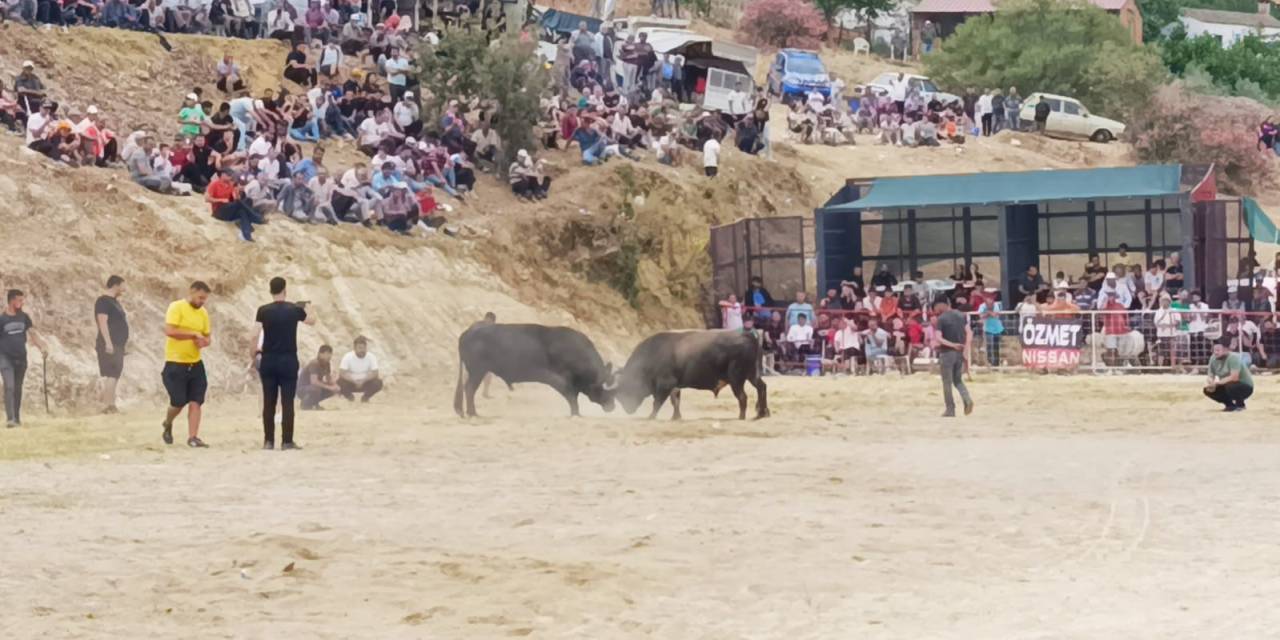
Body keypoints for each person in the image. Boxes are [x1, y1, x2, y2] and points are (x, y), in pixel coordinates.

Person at [252, 277, 315, 450]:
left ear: (270, 290)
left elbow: (255, 333)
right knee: (287, 402)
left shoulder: (263, 310)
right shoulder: (294, 309)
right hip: (288, 359)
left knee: (268, 402)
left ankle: (268, 441)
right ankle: (287, 441)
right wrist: (309, 308)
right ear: (285, 290)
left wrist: (254, 354)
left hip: (269, 359)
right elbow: (312, 321)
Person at [161, 281, 212, 448]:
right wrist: (192, 334)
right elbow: (170, 331)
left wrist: (203, 342)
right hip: (176, 362)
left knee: (196, 400)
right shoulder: (176, 307)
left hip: (195, 363)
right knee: (178, 401)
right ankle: (168, 422)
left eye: (204, 299)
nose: (202, 301)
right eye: (200, 298)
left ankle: (193, 437)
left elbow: (207, 337)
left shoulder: (203, 313)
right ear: (192, 292)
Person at [1, 289, 48, 428]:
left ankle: (17, 417)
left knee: (17, 388)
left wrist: (42, 346)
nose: (22, 302)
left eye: (22, 300)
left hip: (21, 358)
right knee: (9, 386)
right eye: (19, 300)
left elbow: (32, 333)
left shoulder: (24, 317)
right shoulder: (2, 319)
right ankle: (10, 419)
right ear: (11, 301)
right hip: (4, 358)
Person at [94, 275, 129, 414]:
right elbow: (102, 322)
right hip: (109, 344)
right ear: (116, 285)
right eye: (123, 285)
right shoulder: (103, 301)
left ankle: (111, 404)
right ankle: (108, 406)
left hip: (118, 344)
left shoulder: (115, 302)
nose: (124, 288)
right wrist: (108, 343)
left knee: (115, 374)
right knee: (112, 373)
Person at [933, 299, 973, 417]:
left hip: (947, 353)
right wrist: (965, 347)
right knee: (958, 380)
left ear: (941, 305)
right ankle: (967, 399)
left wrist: (952, 345)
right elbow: (969, 333)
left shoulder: (941, 319)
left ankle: (950, 409)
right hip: (959, 353)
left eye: (936, 307)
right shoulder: (961, 315)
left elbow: (939, 338)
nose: (935, 310)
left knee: (947, 382)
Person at [1204, 339, 1253, 411]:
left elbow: (1234, 378)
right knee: (1207, 390)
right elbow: (1210, 375)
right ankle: (1230, 405)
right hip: (1226, 385)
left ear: (1226, 350)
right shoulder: (1213, 358)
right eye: (1214, 350)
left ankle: (1240, 405)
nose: (1215, 353)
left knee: (1230, 385)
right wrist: (1211, 382)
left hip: (1245, 386)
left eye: (1218, 350)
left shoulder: (1233, 357)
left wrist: (1217, 383)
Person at [338, 336, 382, 401]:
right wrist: (354, 381)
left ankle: (365, 397)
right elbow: (342, 373)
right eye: (360, 348)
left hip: (365, 382)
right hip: (351, 382)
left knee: (378, 383)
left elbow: (375, 373)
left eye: (364, 348)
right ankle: (350, 397)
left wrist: (363, 381)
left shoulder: (371, 356)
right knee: (339, 382)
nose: (362, 350)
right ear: (355, 348)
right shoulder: (348, 356)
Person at [299, 344, 341, 410]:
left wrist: (335, 386)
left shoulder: (327, 364)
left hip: (314, 388)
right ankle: (305, 403)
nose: (329, 356)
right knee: (316, 388)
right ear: (320, 354)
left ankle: (313, 403)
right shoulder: (314, 363)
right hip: (303, 388)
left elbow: (328, 378)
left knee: (331, 390)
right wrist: (330, 387)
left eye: (330, 353)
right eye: (326, 353)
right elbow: (314, 381)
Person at [977, 289, 1004, 367]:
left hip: (997, 328)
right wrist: (989, 313)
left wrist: (988, 313)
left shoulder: (996, 305)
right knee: (989, 345)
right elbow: (981, 316)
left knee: (996, 346)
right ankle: (990, 362)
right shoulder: (982, 306)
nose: (989, 299)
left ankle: (996, 363)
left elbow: (996, 315)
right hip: (988, 328)